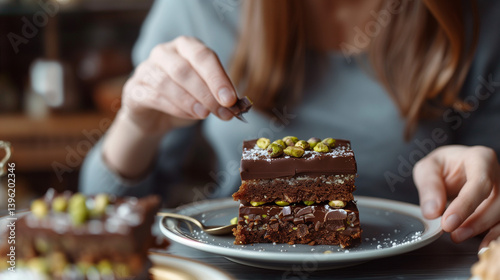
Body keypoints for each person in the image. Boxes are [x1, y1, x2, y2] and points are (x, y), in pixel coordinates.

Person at [80, 0, 500, 250]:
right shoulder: (201, 9)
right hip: (231, 267)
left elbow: (486, 220)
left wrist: (476, 186)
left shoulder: (477, 15)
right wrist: (138, 126)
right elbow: (97, 220)